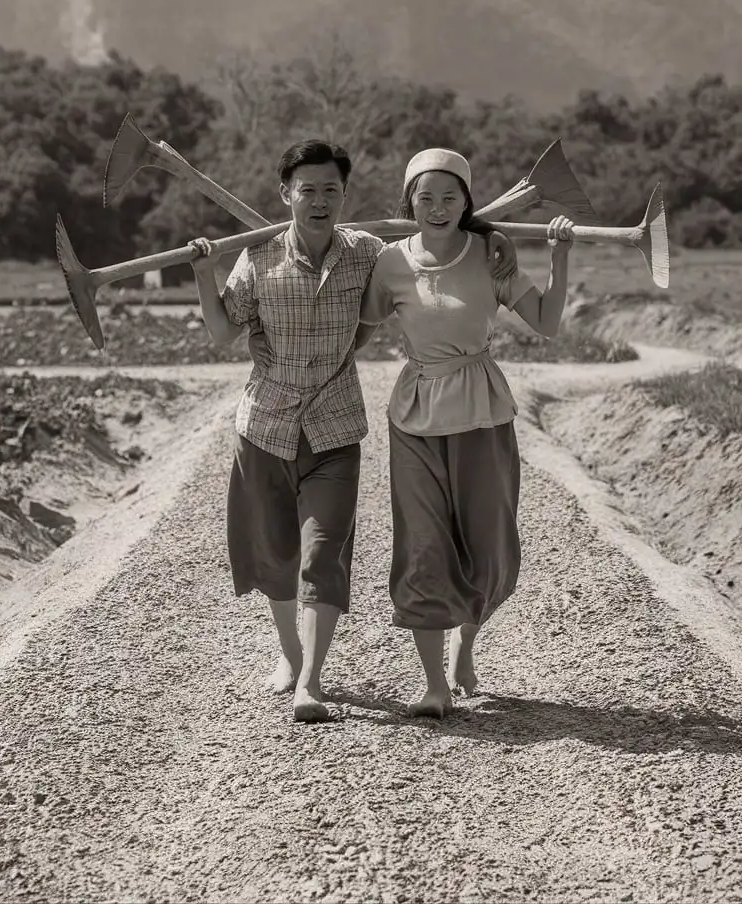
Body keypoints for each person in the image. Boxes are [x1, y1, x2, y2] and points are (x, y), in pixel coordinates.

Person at [357, 148, 574, 718]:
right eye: (425, 198)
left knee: (487, 546)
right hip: (415, 418)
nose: (436, 208)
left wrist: (559, 256)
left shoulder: (490, 254)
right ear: (409, 202)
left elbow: (547, 324)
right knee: (424, 547)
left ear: (467, 203)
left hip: (482, 413)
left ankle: (465, 647)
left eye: (449, 197)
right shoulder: (390, 262)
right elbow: (355, 328)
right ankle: (432, 685)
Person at [188, 140, 384, 723]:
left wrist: (494, 245)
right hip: (265, 428)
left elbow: (424, 256)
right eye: (308, 190)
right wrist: (204, 272)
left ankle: (311, 683)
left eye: (331, 190)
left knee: (322, 555)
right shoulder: (258, 257)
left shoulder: (367, 254)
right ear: (286, 195)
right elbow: (223, 332)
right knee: (275, 556)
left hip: (335, 429)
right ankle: (291, 656)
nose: (319, 200)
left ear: (344, 195)